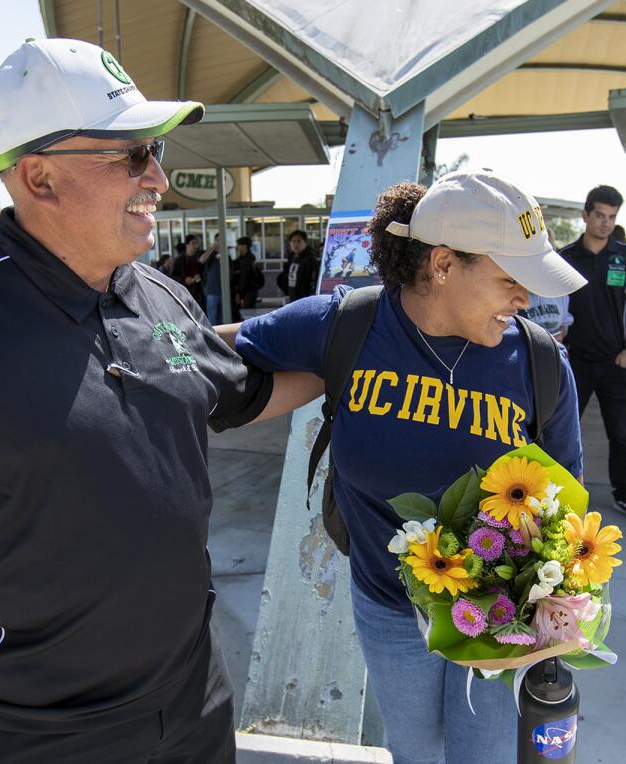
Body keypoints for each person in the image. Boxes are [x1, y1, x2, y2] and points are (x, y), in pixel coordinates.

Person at [0, 38, 321, 764]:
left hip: (194, 706)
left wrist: (355, 349)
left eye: (155, 151)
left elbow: (249, 389)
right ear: (39, 177)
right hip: (38, 735)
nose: (158, 176)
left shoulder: (161, 298)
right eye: (132, 154)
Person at [235, 170, 587, 763]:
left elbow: (570, 508)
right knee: (415, 753)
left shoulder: (540, 364)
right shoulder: (348, 326)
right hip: (389, 610)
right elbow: (209, 350)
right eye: (511, 279)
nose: (527, 299)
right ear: (444, 264)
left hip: (503, 620)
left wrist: (561, 603)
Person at [559, 185, 626, 522]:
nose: (605, 223)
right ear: (585, 216)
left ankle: (624, 494)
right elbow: (549, 306)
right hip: (574, 362)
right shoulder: (565, 257)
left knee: (621, 434)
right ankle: (558, 498)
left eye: (612, 217)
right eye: (599, 215)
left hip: (617, 361)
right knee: (563, 432)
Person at [277, 229, 318, 302]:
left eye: (299, 241)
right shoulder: (292, 258)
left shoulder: (310, 259)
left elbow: (312, 280)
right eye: (293, 241)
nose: (296, 244)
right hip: (292, 296)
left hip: (305, 298)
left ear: (305, 242)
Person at [231, 236, 263, 319]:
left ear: (244, 246)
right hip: (249, 291)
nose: (237, 248)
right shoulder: (248, 258)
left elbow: (243, 279)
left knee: (246, 314)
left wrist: (240, 294)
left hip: (247, 292)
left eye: (239, 245)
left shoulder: (246, 261)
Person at [171, 234, 205, 309]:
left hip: (198, 293)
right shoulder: (179, 260)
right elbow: (172, 277)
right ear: (187, 245)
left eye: (197, 243)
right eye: (193, 243)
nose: (196, 246)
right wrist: (184, 280)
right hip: (184, 294)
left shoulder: (198, 257)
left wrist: (200, 276)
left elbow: (204, 272)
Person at [202, 234, 224, 325]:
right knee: (212, 319)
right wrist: (212, 248)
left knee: (222, 319)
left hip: (223, 292)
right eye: (218, 241)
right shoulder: (210, 255)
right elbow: (201, 260)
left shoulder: (226, 255)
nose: (220, 243)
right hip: (212, 291)